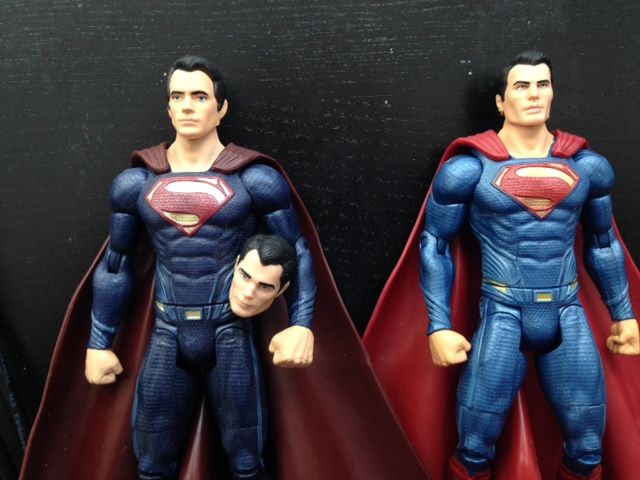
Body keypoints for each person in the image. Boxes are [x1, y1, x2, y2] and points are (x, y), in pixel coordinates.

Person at [84, 56, 315, 480]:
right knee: (151, 462)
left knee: (247, 462)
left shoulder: (253, 180)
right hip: (168, 331)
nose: (187, 106)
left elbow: (296, 250)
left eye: (200, 96)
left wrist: (301, 324)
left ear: (221, 107)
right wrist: (99, 343)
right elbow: (116, 264)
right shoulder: (136, 184)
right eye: (177, 96)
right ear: (168, 107)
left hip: (229, 330)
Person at [421, 51, 639, 479]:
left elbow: (603, 242)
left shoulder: (587, 167)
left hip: (566, 309)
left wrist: (624, 314)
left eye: (543, 84)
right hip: (503, 310)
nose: (534, 94)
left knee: (588, 448)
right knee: (475, 446)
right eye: (522, 86)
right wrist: (439, 325)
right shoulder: (469, 170)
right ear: (501, 102)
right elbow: (435, 246)